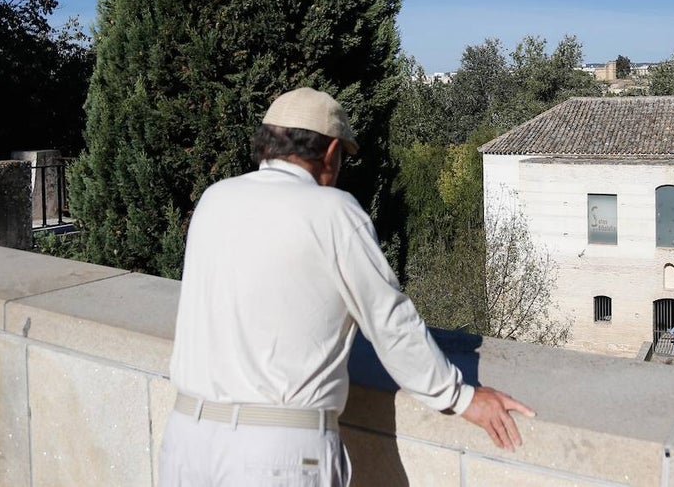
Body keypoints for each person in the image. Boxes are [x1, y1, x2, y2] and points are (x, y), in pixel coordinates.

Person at [160, 87, 533, 486]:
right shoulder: (333, 211)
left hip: (187, 443)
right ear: (331, 151)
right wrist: (460, 398)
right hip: (275, 454)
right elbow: (390, 322)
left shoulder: (215, 199)